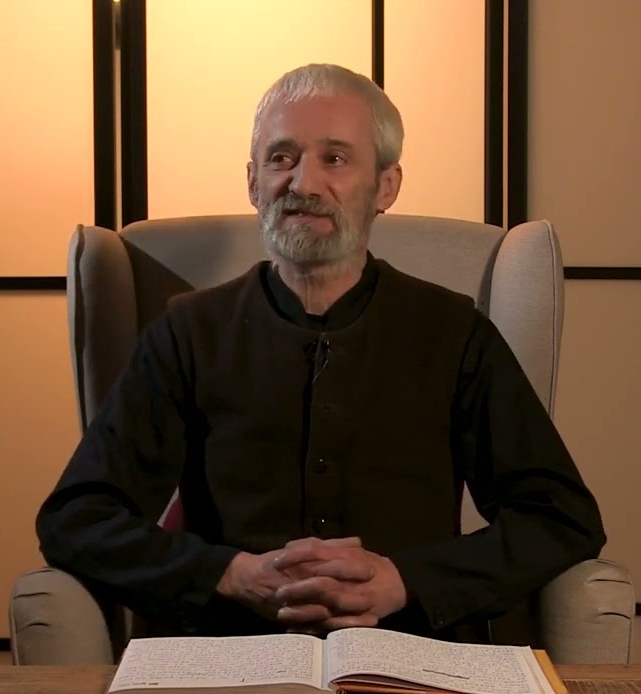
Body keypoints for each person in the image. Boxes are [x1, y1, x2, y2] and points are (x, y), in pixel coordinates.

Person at [36, 63, 605, 645]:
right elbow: (76, 519)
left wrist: (405, 580)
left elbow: (561, 517)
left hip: (409, 653)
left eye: (334, 158)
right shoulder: (186, 332)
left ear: (386, 186)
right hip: (229, 653)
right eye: (281, 158)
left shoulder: (453, 332)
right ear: (253, 181)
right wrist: (229, 574)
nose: (303, 184)